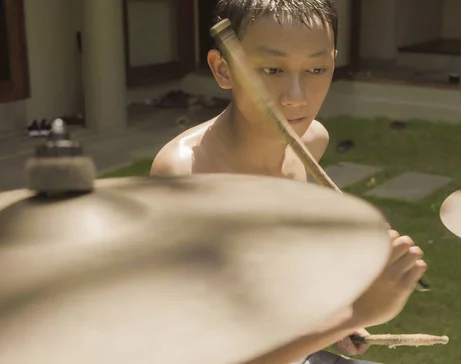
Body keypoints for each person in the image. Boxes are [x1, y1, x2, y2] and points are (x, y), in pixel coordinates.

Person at [150, 0, 427, 363]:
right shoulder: (186, 177)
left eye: (316, 68)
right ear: (223, 69)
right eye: (272, 69)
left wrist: (330, 320)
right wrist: (357, 313)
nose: (297, 96)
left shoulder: (311, 142)